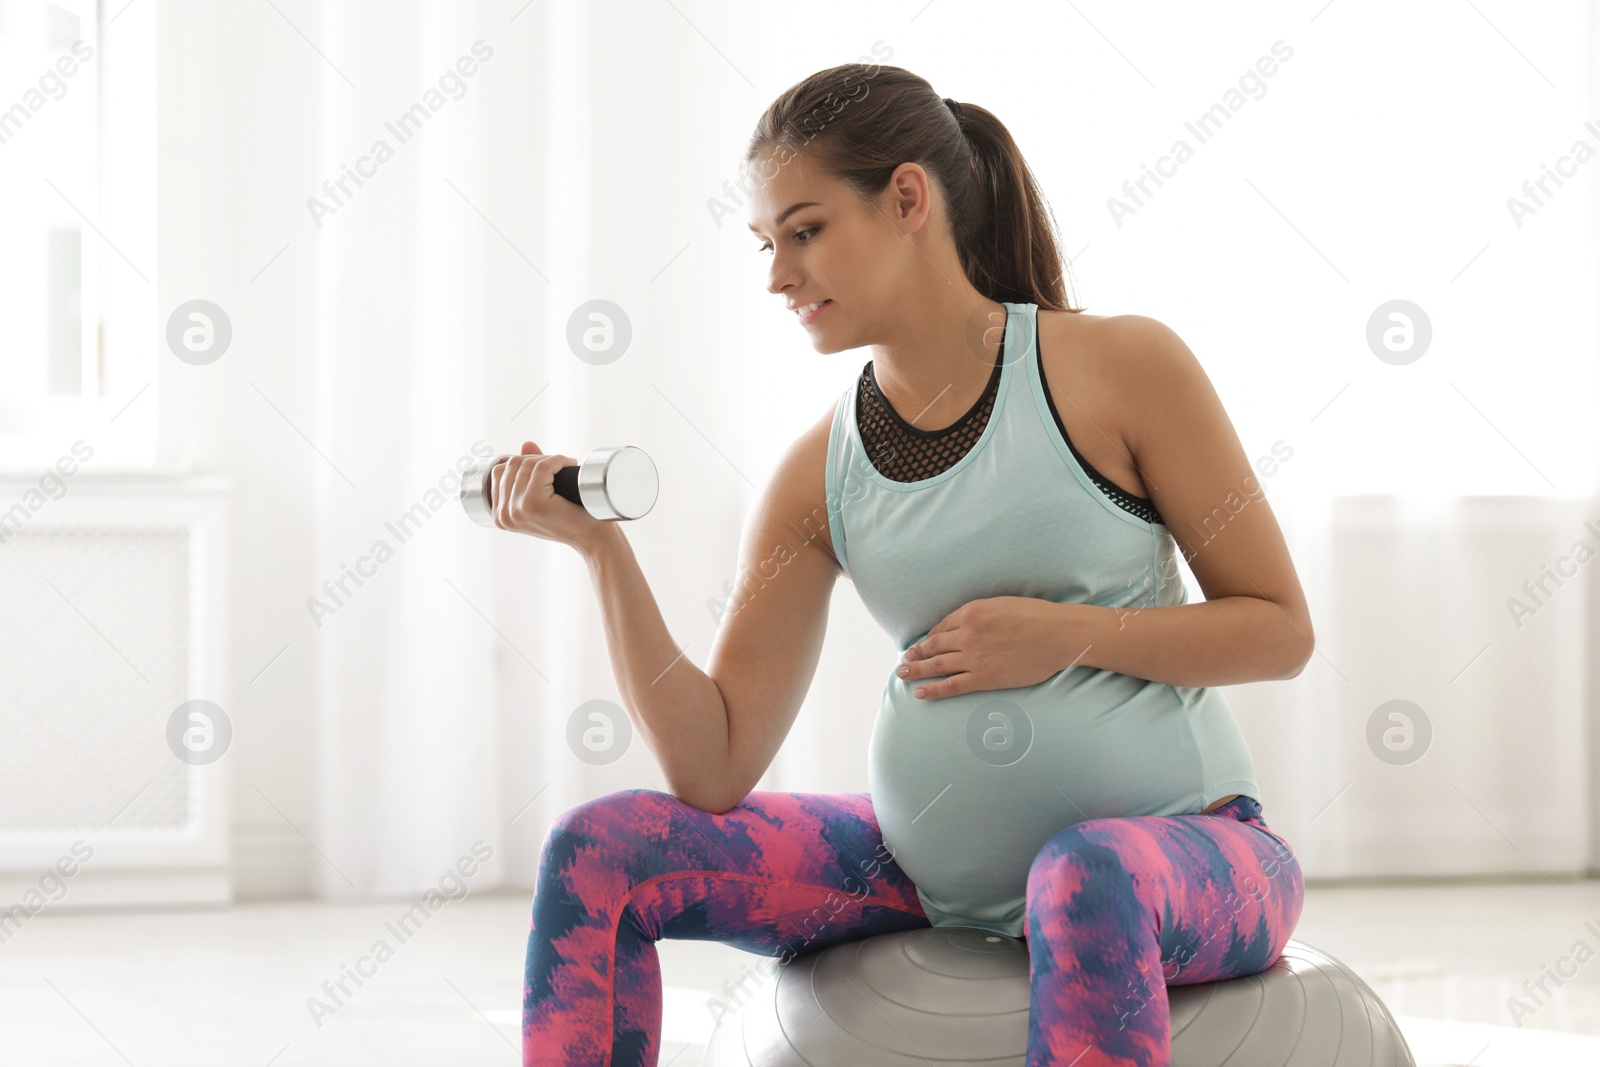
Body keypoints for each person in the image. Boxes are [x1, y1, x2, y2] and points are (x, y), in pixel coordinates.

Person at [506, 63, 1311, 1067]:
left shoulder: (1121, 367)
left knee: (1084, 871)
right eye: (765, 244)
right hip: (923, 871)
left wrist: (1066, 635)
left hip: (1194, 854)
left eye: (803, 230)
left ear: (906, 198)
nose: (777, 275)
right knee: (602, 850)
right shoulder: (817, 470)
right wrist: (600, 549)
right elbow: (711, 763)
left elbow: (1279, 627)